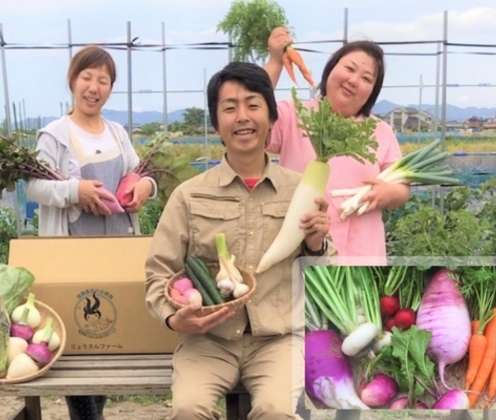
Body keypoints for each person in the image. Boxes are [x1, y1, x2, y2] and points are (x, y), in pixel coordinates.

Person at [145, 61, 337, 420]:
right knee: (188, 410)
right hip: (208, 339)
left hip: (280, 338)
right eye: (229, 108)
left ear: (271, 117)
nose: (242, 117)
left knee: (277, 411)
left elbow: (329, 276)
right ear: (217, 124)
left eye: (253, 104)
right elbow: (159, 272)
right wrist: (175, 319)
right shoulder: (190, 195)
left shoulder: (302, 190)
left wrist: (316, 244)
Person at [25, 45, 157, 420]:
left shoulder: (117, 132)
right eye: (87, 77)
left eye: (103, 80)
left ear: (110, 88)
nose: (94, 87)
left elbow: (140, 174)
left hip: (115, 252)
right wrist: (73, 191)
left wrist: (146, 188)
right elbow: (34, 186)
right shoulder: (54, 134)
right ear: (73, 80)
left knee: (108, 337)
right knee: (79, 342)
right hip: (73, 256)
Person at [263, 27, 411, 263]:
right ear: (331, 69)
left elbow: (402, 188)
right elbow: (255, 108)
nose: (354, 80)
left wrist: (389, 193)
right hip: (299, 253)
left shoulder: (381, 131)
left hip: (361, 256)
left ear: (373, 91)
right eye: (349, 68)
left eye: (366, 79)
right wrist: (274, 61)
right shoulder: (293, 114)